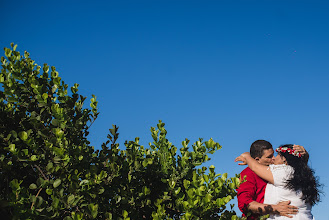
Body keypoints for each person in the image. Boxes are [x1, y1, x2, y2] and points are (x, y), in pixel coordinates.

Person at [235, 144, 321, 219]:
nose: (273, 158)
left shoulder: (282, 172)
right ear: (257, 160)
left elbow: (255, 167)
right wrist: (274, 208)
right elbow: (244, 203)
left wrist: (247, 156)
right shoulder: (248, 174)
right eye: (269, 157)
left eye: (275, 155)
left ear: (284, 160)